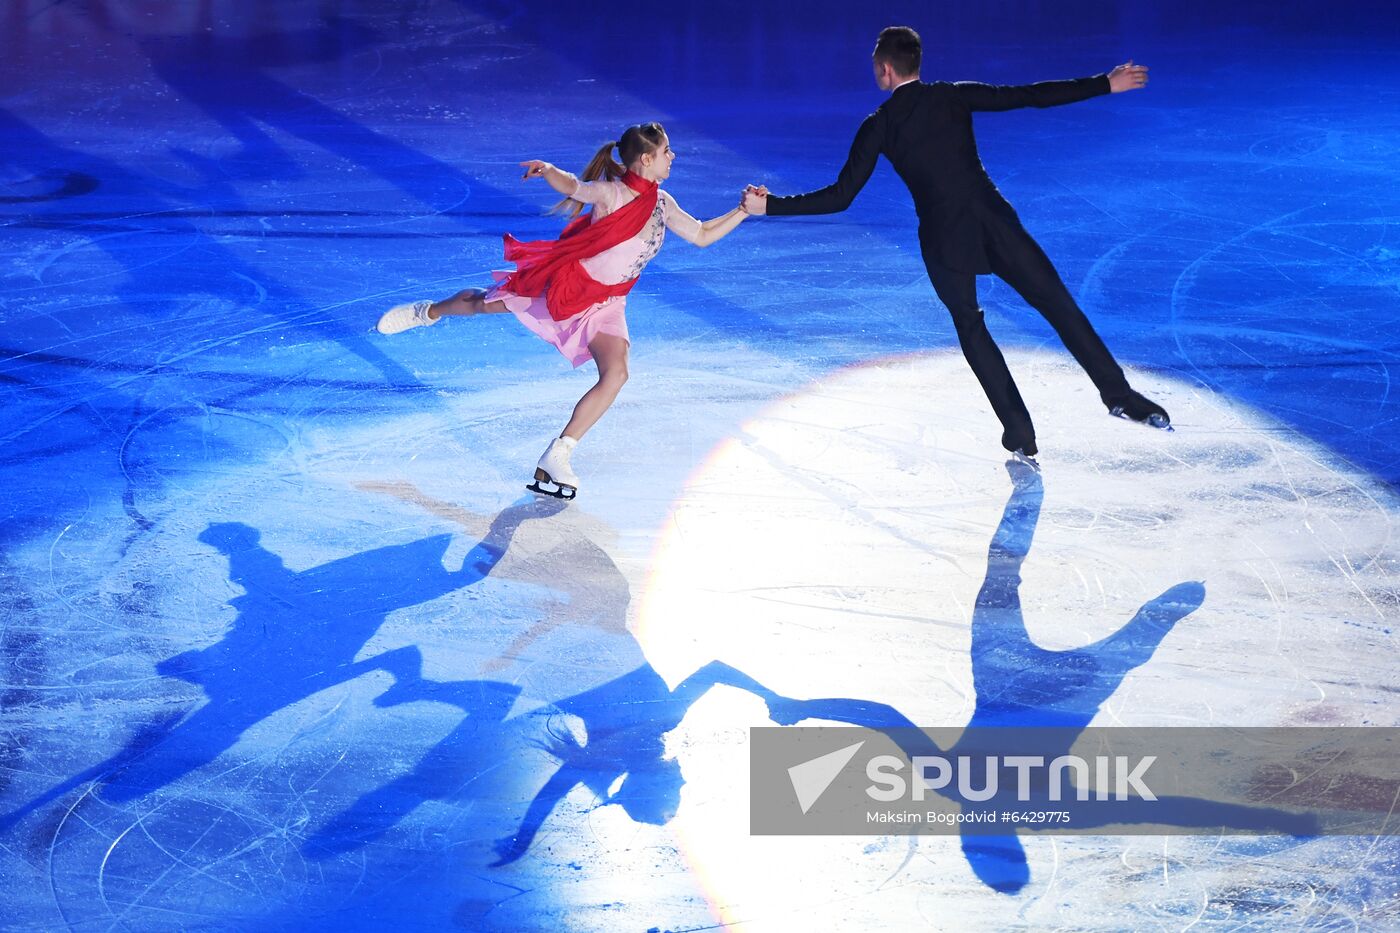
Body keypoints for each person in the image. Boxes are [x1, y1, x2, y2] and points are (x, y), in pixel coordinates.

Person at [742, 26, 1170, 462]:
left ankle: (1019, 430)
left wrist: (770, 206)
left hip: (944, 239)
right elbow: (1029, 95)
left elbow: (840, 196)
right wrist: (1105, 83)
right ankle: (1119, 395)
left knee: (970, 325)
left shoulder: (880, 125)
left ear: (886, 70)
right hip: (994, 223)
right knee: (1057, 304)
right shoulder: (953, 95)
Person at [378, 122, 752, 498]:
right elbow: (576, 187)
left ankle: (558, 453)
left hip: (608, 303)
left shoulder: (662, 202)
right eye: (667, 151)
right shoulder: (612, 194)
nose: (673, 157)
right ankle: (428, 312)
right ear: (646, 158)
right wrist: (548, 171)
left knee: (616, 373)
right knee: (484, 303)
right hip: (570, 288)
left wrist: (742, 211)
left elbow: (702, 235)